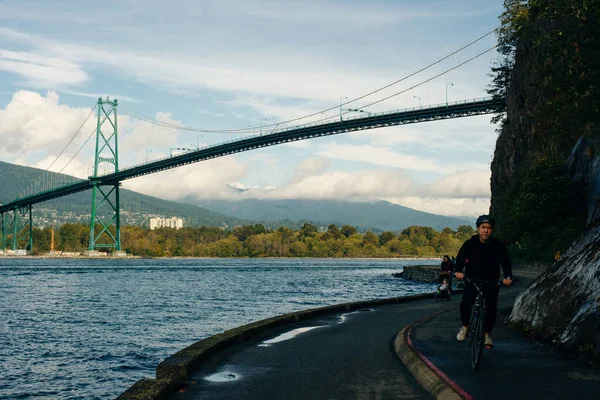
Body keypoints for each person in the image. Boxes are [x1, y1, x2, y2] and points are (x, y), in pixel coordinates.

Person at [454, 214, 512, 348]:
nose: (486, 230)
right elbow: (461, 258)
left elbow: (506, 262)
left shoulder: (498, 245)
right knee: (466, 303)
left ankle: (487, 334)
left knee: (491, 308)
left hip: (491, 281)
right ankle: (465, 326)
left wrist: (508, 277)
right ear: (478, 229)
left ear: (492, 230)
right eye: (483, 227)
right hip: (472, 279)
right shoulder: (470, 244)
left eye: (489, 228)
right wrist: (458, 271)